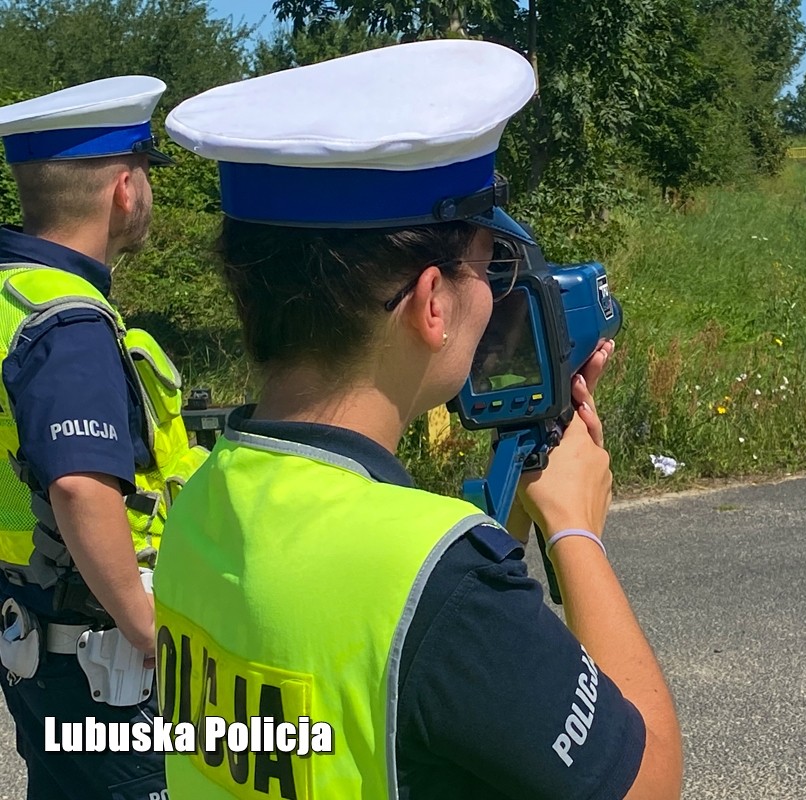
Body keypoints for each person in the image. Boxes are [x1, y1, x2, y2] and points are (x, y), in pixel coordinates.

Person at [154, 39, 683, 798]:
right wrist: (574, 528)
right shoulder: (437, 586)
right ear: (432, 302)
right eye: (491, 264)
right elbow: (647, 784)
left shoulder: (198, 507)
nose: (495, 296)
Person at [0, 76, 208, 799]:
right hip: (103, 665)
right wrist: (151, 631)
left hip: (38, 637)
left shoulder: (9, 294)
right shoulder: (71, 324)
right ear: (125, 189)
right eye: (146, 171)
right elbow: (79, 483)